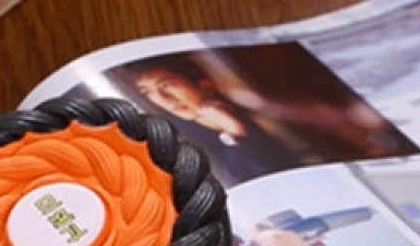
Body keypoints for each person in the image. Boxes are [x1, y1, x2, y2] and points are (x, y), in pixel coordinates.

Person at [125, 56, 294, 186]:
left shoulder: (255, 111)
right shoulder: (170, 136)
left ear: (205, 85)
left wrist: (234, 131)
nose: (163, 99)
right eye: (148, 92)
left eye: (167, 85)